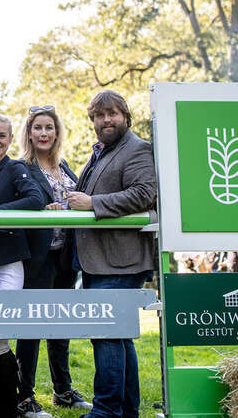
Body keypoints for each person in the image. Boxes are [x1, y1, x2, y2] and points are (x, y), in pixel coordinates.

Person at [66, 90, 157, 418]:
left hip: (121, 259)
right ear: (92, 120)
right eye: (100, 115)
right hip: (99, 259)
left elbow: (145, 194)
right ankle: (126, 410)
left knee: (105, 334)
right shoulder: (102, 152)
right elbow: (91, 195)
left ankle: (105, 411)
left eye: (113, 114)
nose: (106, 120)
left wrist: (92, 204)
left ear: (125, 117)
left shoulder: (137, 149)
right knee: (118, 337)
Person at [15, 106, 91, 417]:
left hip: (65, 256)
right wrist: (41, 208)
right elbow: (22, 203)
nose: (44, 133)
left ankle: (63, 390)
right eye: (38, 128)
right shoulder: (22, 168)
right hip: (38, 256)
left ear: (56, 132)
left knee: (61, 323)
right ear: (29, 133)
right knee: (32, 325)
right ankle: (24, 396)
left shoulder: (66, 167)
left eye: (49, 128)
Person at [0, 115, 45, 418]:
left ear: (11, 139)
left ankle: (7, 405)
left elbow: (35, 199)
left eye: (2, 136)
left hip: (8, 262)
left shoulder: (17, 169)